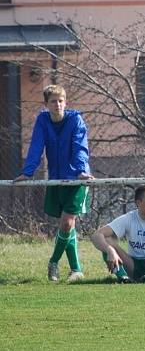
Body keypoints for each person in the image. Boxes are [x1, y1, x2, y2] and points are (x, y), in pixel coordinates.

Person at [13, 84, 94, 282]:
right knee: (68, 226)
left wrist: (81, 171)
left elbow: (80, 146)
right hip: (56, 178)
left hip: (76, 178)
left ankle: (53, 262)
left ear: (65, 102)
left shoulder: (75, 119)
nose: (57, 104)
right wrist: (28, 172)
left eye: (61, 101)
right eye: (53, 101)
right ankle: (76, 270)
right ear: (46, 104)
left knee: (67, 223)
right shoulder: (42, 120)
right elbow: (36, 146)